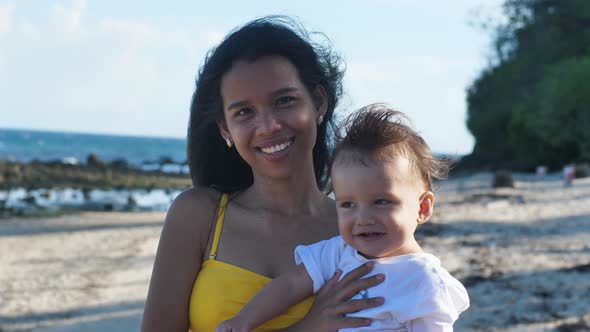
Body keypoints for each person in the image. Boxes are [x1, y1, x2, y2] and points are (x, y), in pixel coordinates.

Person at [141, 16, 385, 332]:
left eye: (284, 101)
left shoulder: (359, 229)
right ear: (225, 128)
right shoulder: (198, 216)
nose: (268, 126)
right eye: (244, 112)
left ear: (319, 103)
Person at [216, 105, 470, 332]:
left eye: (382, 201)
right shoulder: (339, 252)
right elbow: (292, 285)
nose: (363, 218)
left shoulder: (424, 281)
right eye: (348, 204)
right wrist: (244, 320)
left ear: (422, 208)